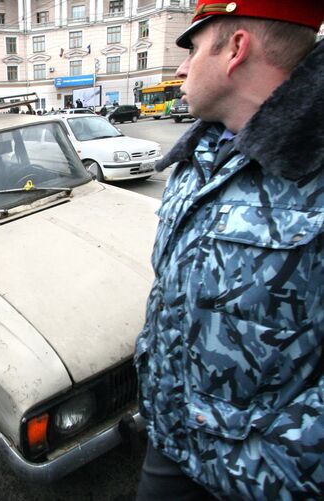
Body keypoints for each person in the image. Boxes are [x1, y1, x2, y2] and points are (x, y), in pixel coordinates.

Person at [135, 1, 324, 500]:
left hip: (259, 479)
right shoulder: (201, 154)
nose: (180, 67)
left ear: (236, 49)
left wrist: (261, 466)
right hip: (171, 445)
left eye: (193, 48)